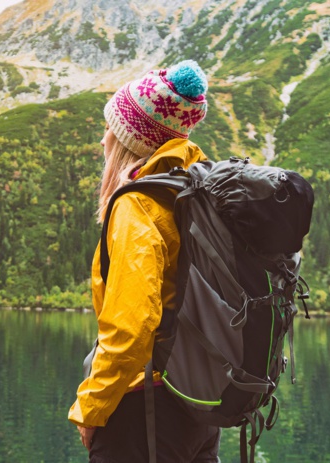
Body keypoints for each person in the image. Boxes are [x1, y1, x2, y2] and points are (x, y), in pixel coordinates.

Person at [68, 60, 221, 462]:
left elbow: (131, 328)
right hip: (198, 404)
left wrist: (91, 409)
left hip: (144, 410)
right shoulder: (197, 193)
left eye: (110, 130)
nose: (103, 141)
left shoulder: (137, 205)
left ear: (131, 141)